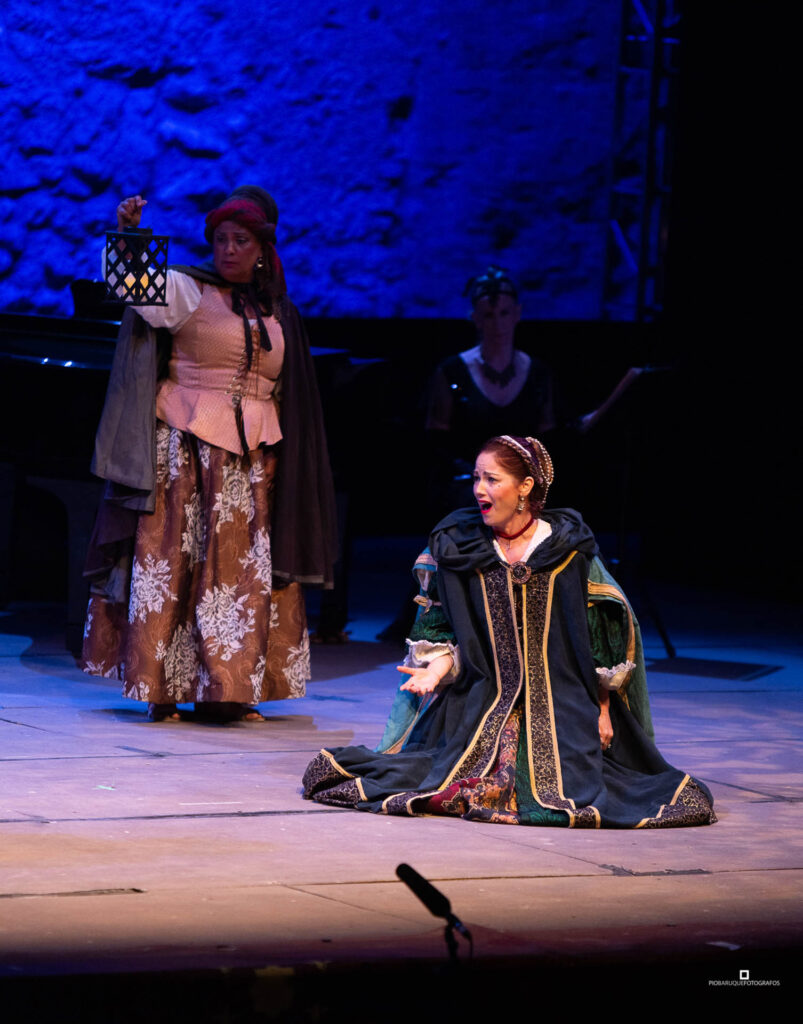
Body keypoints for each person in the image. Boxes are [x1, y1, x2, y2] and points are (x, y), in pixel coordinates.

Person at [303, 435, 715, 828]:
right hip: (482, 699)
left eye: (492, 479)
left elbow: (597, 636)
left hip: (562, 703)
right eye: (476, 478)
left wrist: (603, 708)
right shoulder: (461, 548)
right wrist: (434, 671)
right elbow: (444, 628)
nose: (479, 489)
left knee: (576, 789)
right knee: (439, 775)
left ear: (525, 487)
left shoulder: (568, 550)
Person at [81, 187, 337, 722]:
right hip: (185, 452)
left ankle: (232, 690)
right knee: (177, 565)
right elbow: (131, 285)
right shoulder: (188, 289)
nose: (228, 250)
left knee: (240, 578)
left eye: (240, 241)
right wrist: (130, 234)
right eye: (220, 239)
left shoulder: (279, 309)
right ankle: (162, 688)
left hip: (253, 464)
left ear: (262, 249)